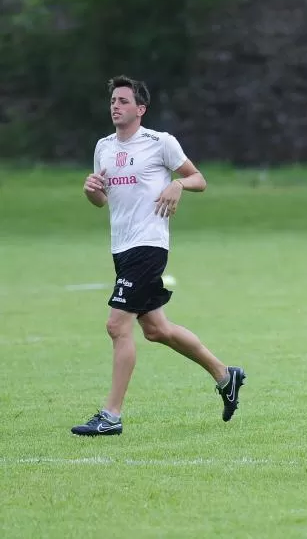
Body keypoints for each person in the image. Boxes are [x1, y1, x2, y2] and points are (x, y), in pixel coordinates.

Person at [72, 75, 245, 436]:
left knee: (116, 326)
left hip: (148, 246)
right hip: (121, 247)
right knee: (156, 330)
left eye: (122, 101)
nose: (115, 106)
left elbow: (198, 177)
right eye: (113, 101)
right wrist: (91, 191)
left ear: (140, 108)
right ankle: (225, 375)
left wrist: (178, 183)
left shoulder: (159, 143)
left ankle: (111, 416)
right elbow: (101, 201)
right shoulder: (103, 147)